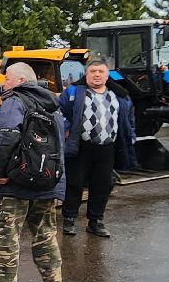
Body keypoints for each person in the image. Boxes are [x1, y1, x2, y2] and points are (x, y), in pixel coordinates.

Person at [0, 62, 67, 282]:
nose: (4, 84)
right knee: (46, 235)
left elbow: (4, 139)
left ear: (20, 81)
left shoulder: (15, 102)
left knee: (6, 237)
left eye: (7, 79)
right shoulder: (54, 106)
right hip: (45, 184)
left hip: (14, 186)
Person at [58, 58, 136, 238]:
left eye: (101, 71)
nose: (97, 75)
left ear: (107, 75)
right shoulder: (73, 92)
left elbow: (129, 119)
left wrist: (130, 135)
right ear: (86, 74)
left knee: (102, 185)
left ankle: (95, 221)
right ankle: (69, 219)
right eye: (93, 71)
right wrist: (66, 130)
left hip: (107, 148)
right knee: (74, 183)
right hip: (80, 146)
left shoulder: (120, 96)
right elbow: (59, 112)